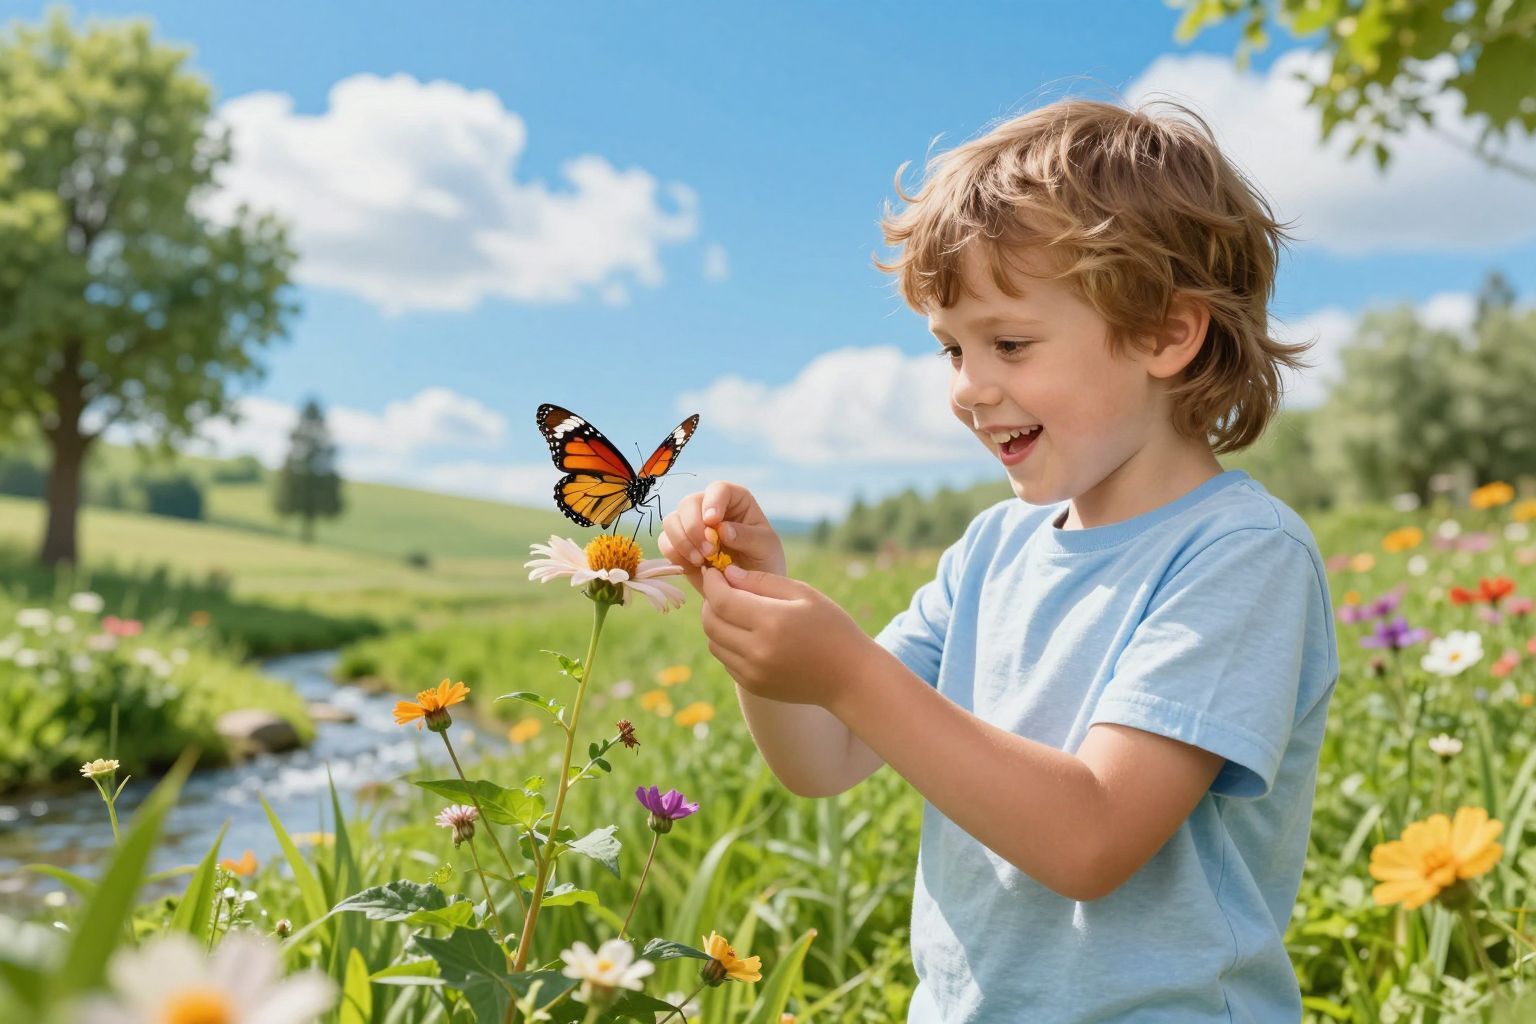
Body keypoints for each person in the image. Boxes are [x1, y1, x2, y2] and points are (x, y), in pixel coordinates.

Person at [658, 97, 1338, 1023]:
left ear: (1167, 335)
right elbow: (824, 756)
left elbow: (1091, 841)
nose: (969, 390)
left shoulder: (1237, 555)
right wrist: (760, 599)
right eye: (951, 349)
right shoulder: (992, 549)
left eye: (1009, 343)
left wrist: (849, 671)